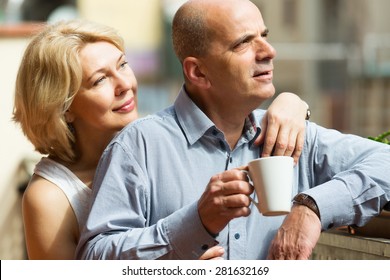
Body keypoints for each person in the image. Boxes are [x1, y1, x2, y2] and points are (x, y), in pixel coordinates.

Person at [76, 0, 390, 260]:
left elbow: (385, 161)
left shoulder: (290, 133)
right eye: (243, 43)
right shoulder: (139, 146)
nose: (269, 51)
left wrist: (312, 207)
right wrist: (194, 223)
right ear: (198, 71)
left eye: (264, 35)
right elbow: (94, 257)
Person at [12, 19, 309, 260]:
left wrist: (292, 105)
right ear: (63, 108)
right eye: (100, 80)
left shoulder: (153, 142)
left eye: (123, 65)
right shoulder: (49, 197)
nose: (124, 85)